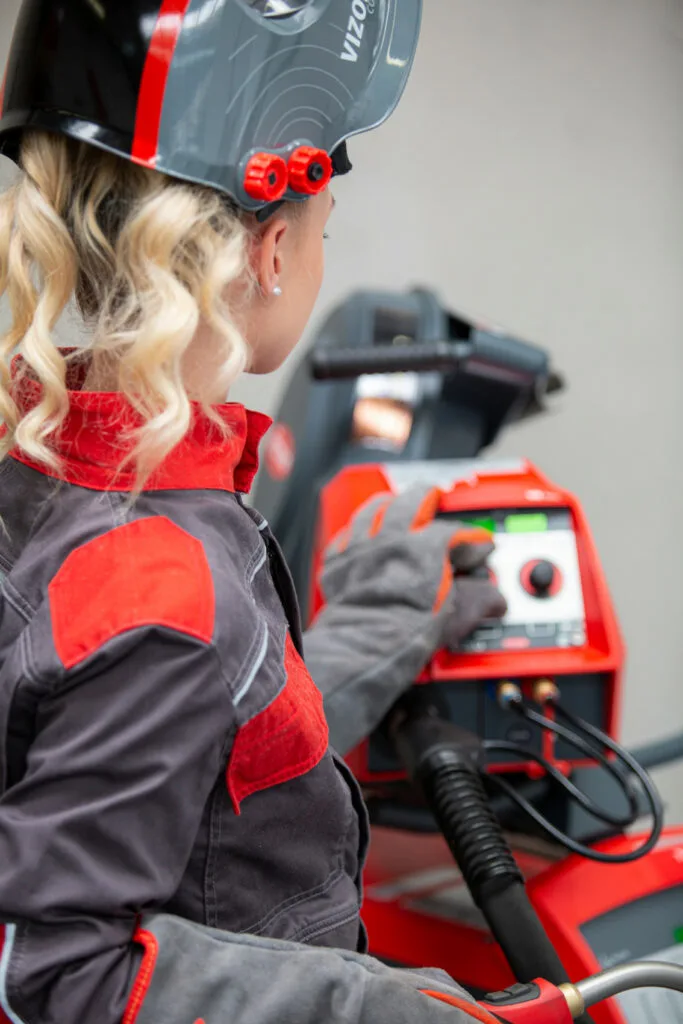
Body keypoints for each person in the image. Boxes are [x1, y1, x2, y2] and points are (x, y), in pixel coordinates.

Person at [0, 3, 507, 1023]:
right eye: (326, 231)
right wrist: (388, 1006)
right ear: (271, 251)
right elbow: (51, 973)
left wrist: (392, 617)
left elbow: (222, 750)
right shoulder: (160, 578)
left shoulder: (65, 471)